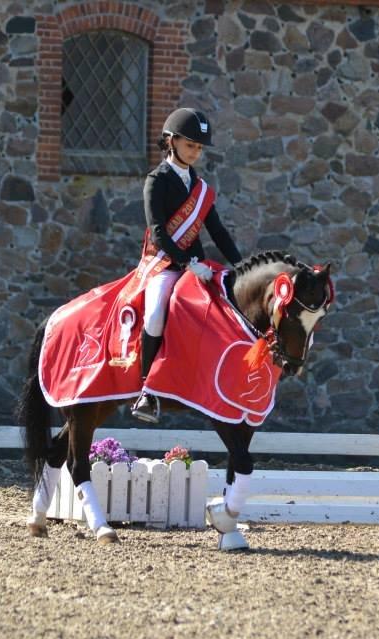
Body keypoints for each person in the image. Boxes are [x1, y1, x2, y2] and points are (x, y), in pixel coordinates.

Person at [130, 108, 243, 423]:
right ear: (171, 141)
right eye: (190, 144)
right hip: (165, 265)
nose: (195, 152)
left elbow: (217, 231)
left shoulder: (201, 188)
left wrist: (240, 264)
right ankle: (147, 392)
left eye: (199, 147)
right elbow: (158, 232)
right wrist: (186, 263)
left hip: (199, 265)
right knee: (154, 315)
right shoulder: (157, 181)